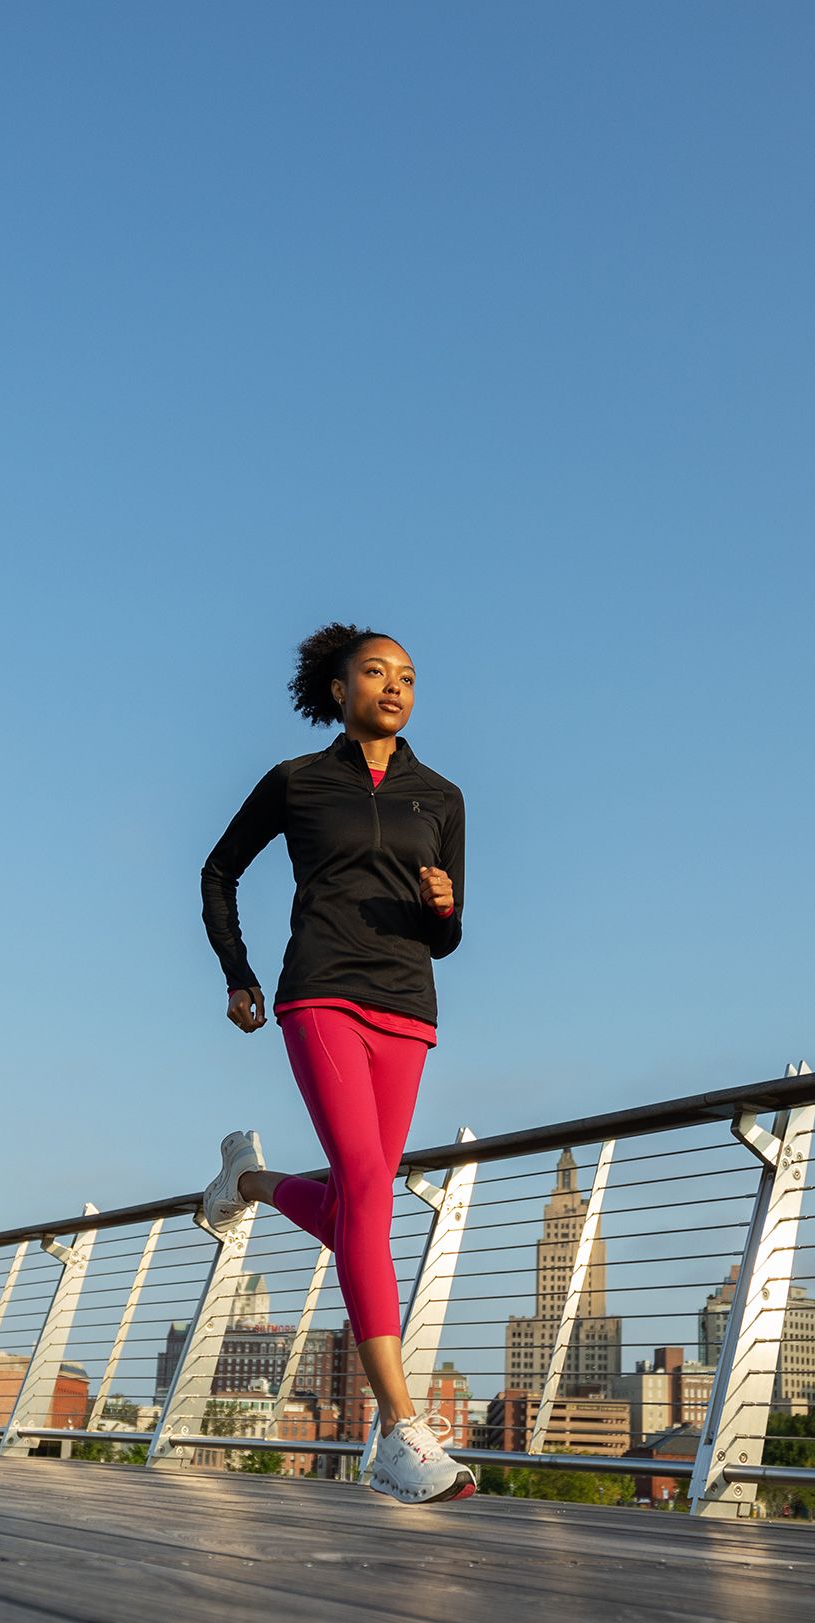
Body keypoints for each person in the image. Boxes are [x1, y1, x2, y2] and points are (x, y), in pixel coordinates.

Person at [197, 623, 474, 1503]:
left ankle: (246, 1184)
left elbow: (450, 937)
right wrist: (237, 973)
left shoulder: (443, 795)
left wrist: (443, 906)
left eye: (409, 677)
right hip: (318, 992)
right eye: (376, 672)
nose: (395, 687)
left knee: (368, 1203)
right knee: (364, 1181)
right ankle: (399, 1428)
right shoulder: (298, 783)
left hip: (407, 1007)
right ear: (339, 687)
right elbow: (219, 871)